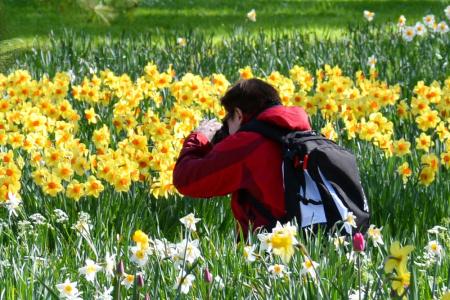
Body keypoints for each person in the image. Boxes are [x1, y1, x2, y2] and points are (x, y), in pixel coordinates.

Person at [173, 78, 311, 237]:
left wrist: (200, 137)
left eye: (227, 119)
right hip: (310, 243)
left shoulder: (248, 143)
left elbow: (185, 179)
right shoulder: (305, 136)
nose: (226, 127)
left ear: (238, 115)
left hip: (271, 249)